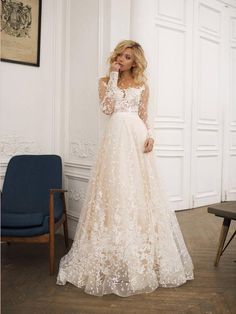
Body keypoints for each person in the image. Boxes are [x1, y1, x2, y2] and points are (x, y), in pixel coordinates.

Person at [56, 39, 194, 297]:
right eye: (120, 54)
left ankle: (141, 251)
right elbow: (108, 109)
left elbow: (143, 114)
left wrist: (151, 135)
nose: (122, 59)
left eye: (127, 57)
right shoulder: (105, 81)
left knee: (139, 192)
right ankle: (114, 250)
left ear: (136, 61)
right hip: (115, 139)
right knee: (113, 190)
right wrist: (112, 77)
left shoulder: (142, 85)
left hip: (136, 137)